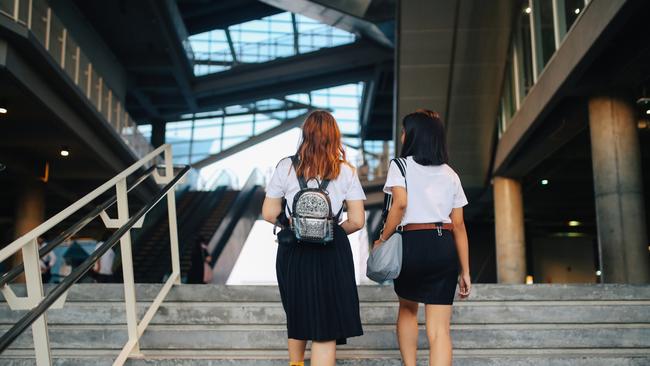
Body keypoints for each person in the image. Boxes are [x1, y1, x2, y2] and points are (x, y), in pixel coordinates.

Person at [262, 110, 366, 366]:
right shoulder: (346, 171)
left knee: (297, 312)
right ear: (335, 136)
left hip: (294, 250)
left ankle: (295, 364)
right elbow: (357, 220)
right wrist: (330, 230)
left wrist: (295, 226)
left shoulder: (286, 166)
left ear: (305, 134)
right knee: (326, 325)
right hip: (332, 252)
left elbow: (268, 213)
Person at [375, 109, 471, 366]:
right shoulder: (451, 174)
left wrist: (383, 239)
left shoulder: (400, 165)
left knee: (407, 309)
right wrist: (466, 271)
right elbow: (459, 225)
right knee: (440, 330)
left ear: (414, 135)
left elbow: (400, 204)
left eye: (405, 131)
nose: (403, 135)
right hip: (443, 245)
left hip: (412, 244)